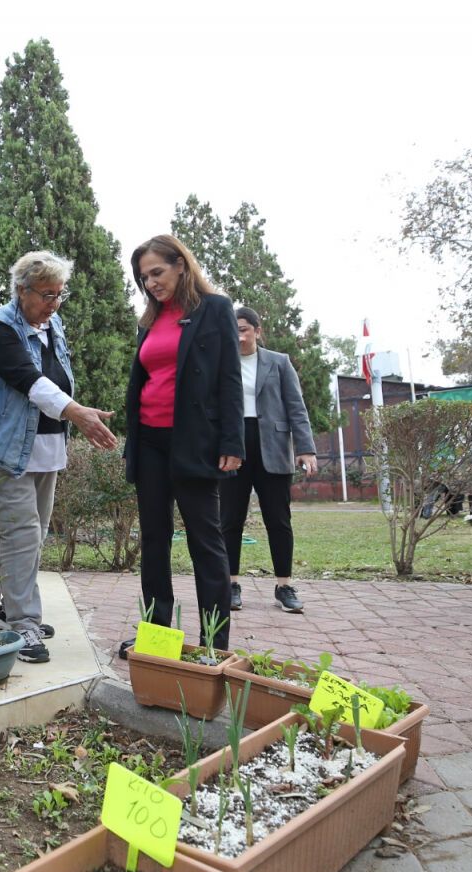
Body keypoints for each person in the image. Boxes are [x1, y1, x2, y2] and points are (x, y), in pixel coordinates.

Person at [0, 251, 118, 663]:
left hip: (46, 450)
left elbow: (57, 377)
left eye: (60, 295)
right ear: (21, 290)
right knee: (22, 535)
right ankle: (21, 625)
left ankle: (10, 610)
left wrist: (74, 414)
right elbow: (28, 380)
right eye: (47, 295)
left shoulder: (53, 325)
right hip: (3, 452)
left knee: (35, 535)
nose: (54, 304)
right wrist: (77, 412)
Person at [124, 235, 243, 652]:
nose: (151, 283)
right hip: (149, 442)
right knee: (154, 541)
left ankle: (214, 644)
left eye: (157, 272)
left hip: (195, 442)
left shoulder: (215, 309)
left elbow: (229, 377)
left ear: (181, 265)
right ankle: (156, 638)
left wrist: (233, 441)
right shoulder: (149, 320)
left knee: (205, 543)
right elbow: (144, 379)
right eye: (144, 278)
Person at [223, 306, 317, 614]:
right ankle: (231, 584)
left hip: (273, 446)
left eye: (243, 329)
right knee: (230, 520)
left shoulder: (279, 363)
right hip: (234, 447)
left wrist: (305, 448)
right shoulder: (221, 364)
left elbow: (296, 407)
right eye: (233, 329)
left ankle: (284, 585)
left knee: (278, 520)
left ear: (257, 331)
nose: (238, 335)